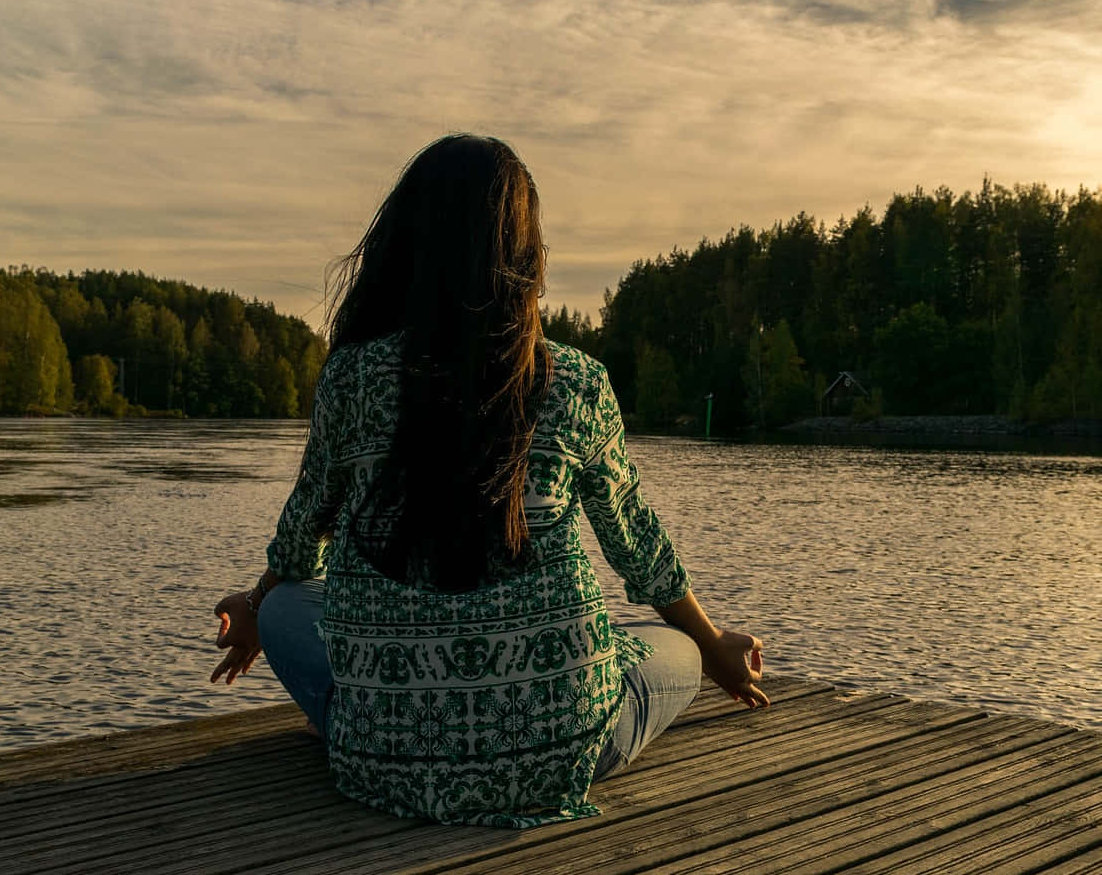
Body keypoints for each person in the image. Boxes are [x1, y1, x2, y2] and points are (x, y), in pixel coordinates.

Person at [210, 134, 769, 828]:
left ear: (405, 245)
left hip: (382, 762)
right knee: (677, 647)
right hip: (560, 753)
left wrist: (259, 605)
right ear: (524, 255)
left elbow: (302, 538)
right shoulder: (577, 381)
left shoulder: (351, 378)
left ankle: (379, 723)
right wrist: (715, 648)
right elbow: (639, 550)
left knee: (290, 604)